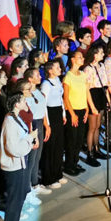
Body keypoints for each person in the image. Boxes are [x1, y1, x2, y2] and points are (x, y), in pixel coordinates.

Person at [0, 91, 36, 221]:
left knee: (19, 199)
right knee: (15, 200)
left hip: (19, 163)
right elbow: (13, 148)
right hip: (13, 166)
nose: (25, 102)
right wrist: (29, 138)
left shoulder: (15, 117)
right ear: (16, 104)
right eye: (22, 101)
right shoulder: (10, 121)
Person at [63, 52, 97, 171]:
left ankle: (75, 162)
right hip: (72, 111)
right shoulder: (68, 76)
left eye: (82, 57)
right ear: (72, 59)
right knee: (72, 139)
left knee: (79, 139)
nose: (82, 59)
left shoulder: (82, 74)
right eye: (79, 57)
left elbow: (86, 92)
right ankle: (69, 165)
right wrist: (72, 114)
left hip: (82, 110)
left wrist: (88, 108)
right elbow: (66, 97)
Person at [38, 58, 66, 188]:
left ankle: (57, 173)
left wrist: (64, 114)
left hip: (58, 114)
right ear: (50, 70)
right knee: (50, 147)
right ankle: (48, 178)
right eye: (57, 68)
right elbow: (43, 105)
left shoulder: (58, 81)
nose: (60, 69)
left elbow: (61, 99)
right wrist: (47, 124)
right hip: (50, 115)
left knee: (59, 146)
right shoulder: (46, 84)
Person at [21, 67, 49, 195]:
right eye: (37, 75)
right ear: (30, 78)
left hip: (40, 123)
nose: (40, 77)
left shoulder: (38, 92)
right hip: (31, 125)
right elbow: (27, 114)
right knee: (31, 158)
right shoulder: (25, 96)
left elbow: (42, 109)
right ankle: (27, 186)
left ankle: (34, 182)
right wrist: (32, 132)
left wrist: (46, 125)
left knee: (38, 156)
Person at [84, 44, 109, 160]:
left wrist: (107, 99)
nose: (103, 55)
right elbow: (87, 89)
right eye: (100, 53)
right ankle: (90, 152)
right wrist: (92, 106)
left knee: (98, 126)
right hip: (93, 96)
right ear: (94, 55)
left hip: (101, 94)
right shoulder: (88, 69)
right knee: (92, 127)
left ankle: (97, 148)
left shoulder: (102, 66)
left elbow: (105, 84)